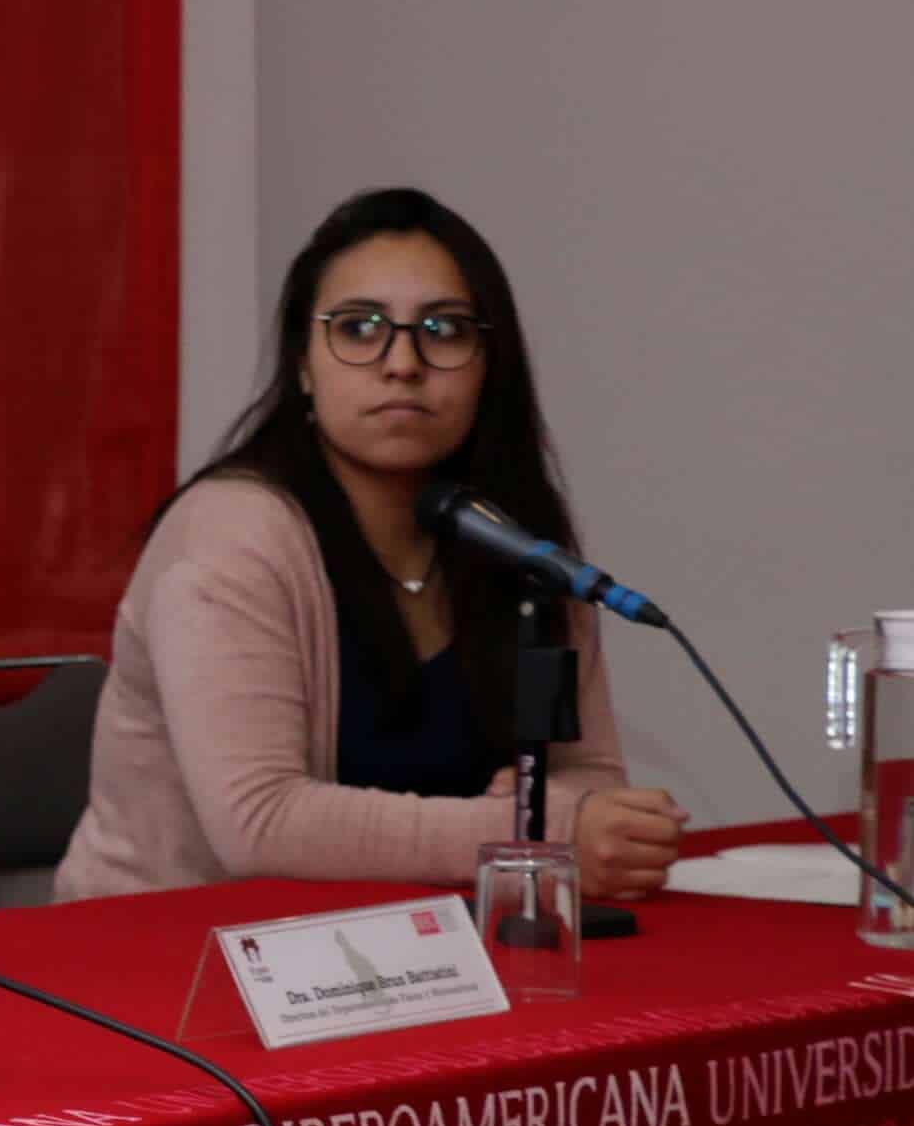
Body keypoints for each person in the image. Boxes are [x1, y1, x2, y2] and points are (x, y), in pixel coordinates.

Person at [58, 187, 684, 902]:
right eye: (358, 329)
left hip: (420, 958)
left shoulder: (516, 546)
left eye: (444, 330)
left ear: (489, 362)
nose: (402, 363)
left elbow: (592, 779)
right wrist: (532, 829)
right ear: (302, 363)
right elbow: (260, 822)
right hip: (170, 961)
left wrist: (569, 816)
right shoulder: (229, 536)